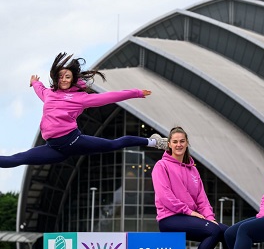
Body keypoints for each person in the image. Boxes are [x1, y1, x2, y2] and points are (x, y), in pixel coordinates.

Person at [0, 52, 167, 168]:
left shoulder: (81, 99)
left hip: (73, 141)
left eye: (67, 77)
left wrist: (135, 93)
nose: (63, 80)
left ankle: (154, 142)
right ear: (56, 78)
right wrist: (35, 82)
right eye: (60, 77)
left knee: (114, 144)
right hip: (53, 148)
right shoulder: (49, 94)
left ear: (72, 79)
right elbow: (40, 89)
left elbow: (110, 97)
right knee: (18, 158)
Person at [151, 126, 238, 249]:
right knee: (213, 231)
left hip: (190, 217)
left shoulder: (193, 170)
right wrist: (190, 212)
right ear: (169, 144)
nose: (178, 145)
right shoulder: (161, 166)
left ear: (187, 143)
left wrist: (209, 217)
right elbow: (165, 197)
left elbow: (201, 199)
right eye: (175, 141)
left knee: (226, 231)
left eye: (182, 141)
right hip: (170, 218)